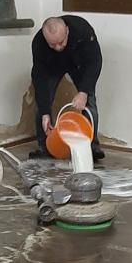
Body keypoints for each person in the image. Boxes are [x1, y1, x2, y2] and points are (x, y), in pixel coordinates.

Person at [30, 15, 104, 161]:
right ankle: (45, 146)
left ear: (67, 31)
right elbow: (39, 78)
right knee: (42, 104)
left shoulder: (82, 30)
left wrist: (83, 91)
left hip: (78, 64)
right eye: (52, 45)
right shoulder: (38, 43)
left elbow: (94, 62)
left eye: (61, 42)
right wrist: (45, 112)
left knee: (89, 101)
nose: (58, 48)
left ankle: (92, 146)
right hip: (52, 67)